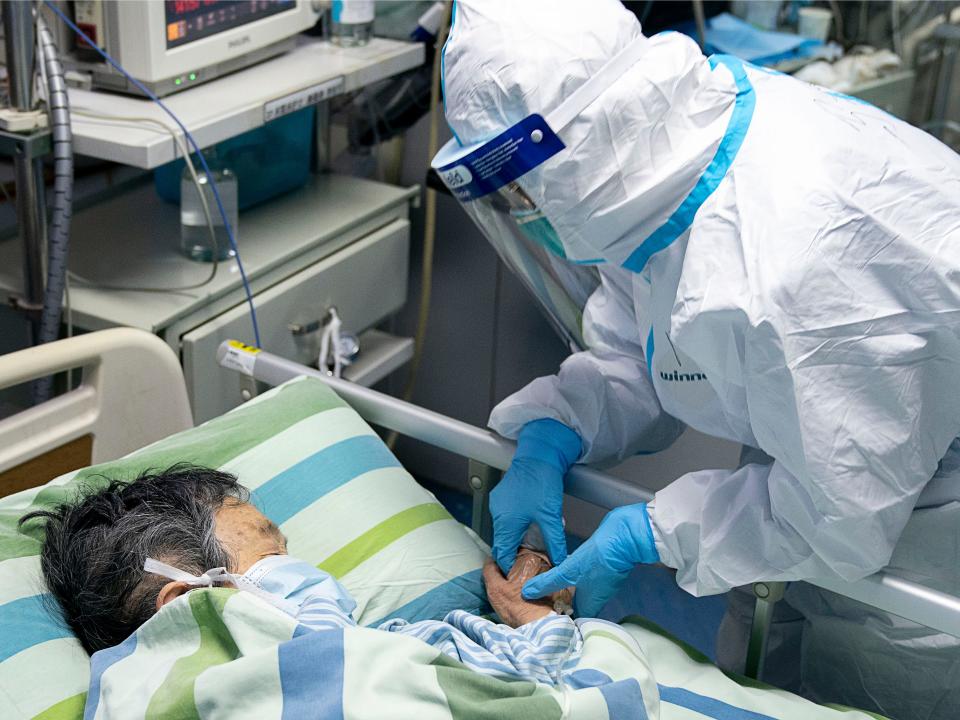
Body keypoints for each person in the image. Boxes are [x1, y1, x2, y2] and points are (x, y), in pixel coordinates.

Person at [430, 1, 960, 717]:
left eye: (524, 192)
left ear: (574, 154)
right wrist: (554, 431)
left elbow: (841, 518)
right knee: (758, 670)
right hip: (824, 459)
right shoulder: (652, 174)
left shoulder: (796, 253)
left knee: (867, 693)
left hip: (932, 509)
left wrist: (655, 529)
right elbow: (651, 343)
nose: (526, 210)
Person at [20, 465, 583, 687]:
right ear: (184, 605)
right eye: (274, 554)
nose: (307, 571)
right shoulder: (371, 654)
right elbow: (549, 683)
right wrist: (531, 614)